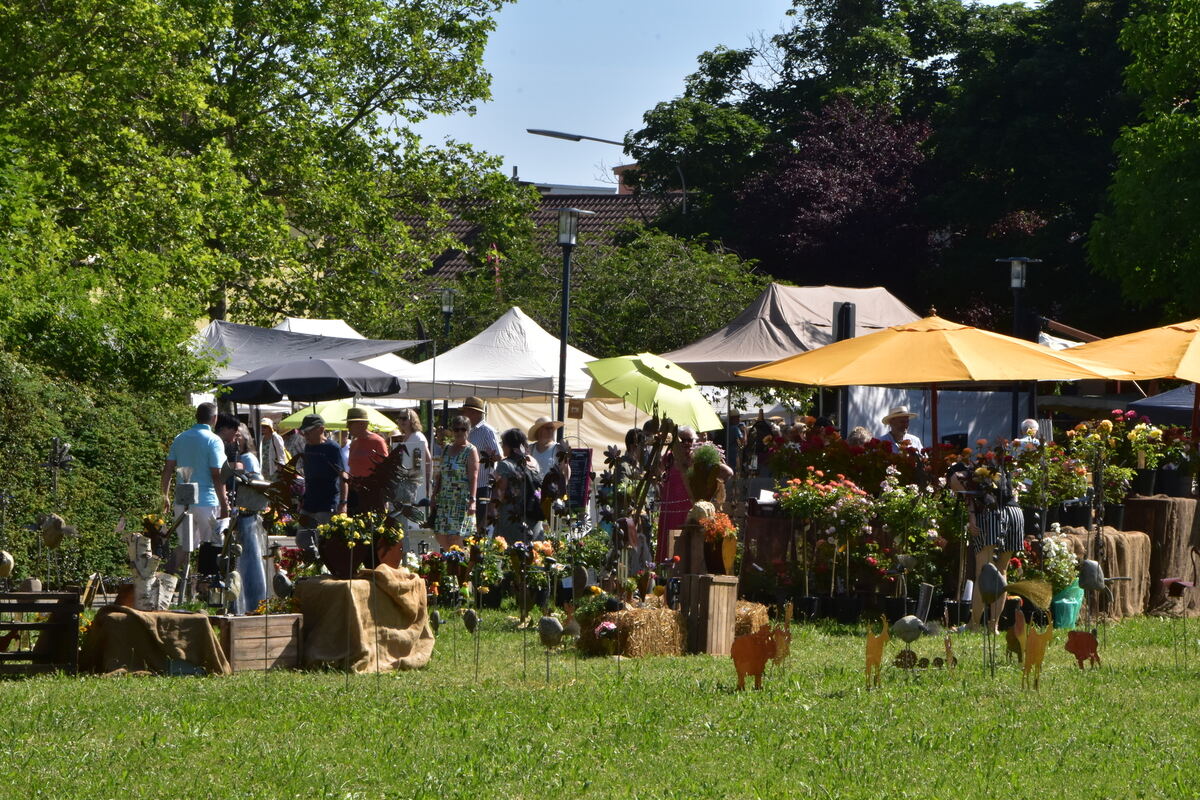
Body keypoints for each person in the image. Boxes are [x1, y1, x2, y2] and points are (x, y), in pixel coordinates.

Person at [160, 403, 229, 602]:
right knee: (213, 545)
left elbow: (168, 469)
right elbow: (217, 474)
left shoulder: (180, 438)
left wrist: (164, 495)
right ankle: (204, 590)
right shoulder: (213, 440)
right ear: (214, 419)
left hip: (183, 498)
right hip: (207, 499)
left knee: (184, 545)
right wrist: (224, 504)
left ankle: (163, 584)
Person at [231, 424, 267, 615]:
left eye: (240, 435)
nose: (236, 439)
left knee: (250, 559)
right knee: (242, 560)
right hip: (241, 514)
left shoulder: (247, 458)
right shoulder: (237, 458)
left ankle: (254, 603)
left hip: (247, 514)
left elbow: (256, 482)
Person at [297, 414, 348, 548]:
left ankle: (324, 567)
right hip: (309, 503)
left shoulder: (332, 448)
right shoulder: (308, 447)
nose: (306, 436)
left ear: (320, 429)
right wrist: (303, 498)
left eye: (308, 432)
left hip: (327, 503)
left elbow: (343, 476)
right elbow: (309, 477)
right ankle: (311, 565)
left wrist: (343, 503)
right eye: (304, 433)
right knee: (302, 539)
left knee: (325, 542)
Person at [430, 415, 478, 548]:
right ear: (452, 431)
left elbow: (474, 476)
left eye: (463, 429)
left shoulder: (470, 450)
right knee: (440, 535)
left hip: (461, 500)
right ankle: (451, 564)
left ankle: (461, 566)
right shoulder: (446, 449)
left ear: (468, 431)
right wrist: (434, 495)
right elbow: (440, 475)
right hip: (445, 499)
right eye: (456, 429)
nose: (459, 433)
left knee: (456, 538)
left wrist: (472, 501)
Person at [492, 428, 542, 545]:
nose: (502, 447)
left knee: (506, 553)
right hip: (532, 514)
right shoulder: (532, 463)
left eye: (503, 443)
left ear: (509, 446)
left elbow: (501, 493)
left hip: (511, 517)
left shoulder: (504, 465)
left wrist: (492, 510)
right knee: (532, 554)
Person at [461, 396, 500, 533]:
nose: (464, 414)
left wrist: (487, 456)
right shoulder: (467, 430)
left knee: (480, 522)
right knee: (468, 523)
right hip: (467, 484)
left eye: (466, 411)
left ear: (475, 413)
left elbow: (499, 455)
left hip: (482, 484)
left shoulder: (487, 430)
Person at [390, 408, 431, 530]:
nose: (401, 421)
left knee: (415, 519)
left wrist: (427, 483)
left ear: (412, 420)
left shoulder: (418, 437)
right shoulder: (401, 438)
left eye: (405, 418)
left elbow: (428, 460)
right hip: (403, 485)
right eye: (400, 418)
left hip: (416, 483)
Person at [346, 406, 389, 513]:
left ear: (362, 424)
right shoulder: (354, 443)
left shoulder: (378, 441)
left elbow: (385, 469)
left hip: (372, 491)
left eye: (350, 424)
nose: (348, 427)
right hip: (354, 491)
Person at [528, 416, 570, 524]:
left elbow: (566, 470)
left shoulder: (558, 448)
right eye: (548, 428)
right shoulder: (530, 449)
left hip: (552, 494)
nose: (552, 431)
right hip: (534, 494)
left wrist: (562, 489)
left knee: (552, 524)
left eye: (553, 428)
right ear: (539, 431)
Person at [258, 417, 288, 481]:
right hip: (263, 468)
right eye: (261, 427)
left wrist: (281, 466)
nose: (263, 428)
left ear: (270, 427)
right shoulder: (261, 438)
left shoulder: (276, 437)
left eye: (265, 426)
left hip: (274, 469)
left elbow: (281, 453)